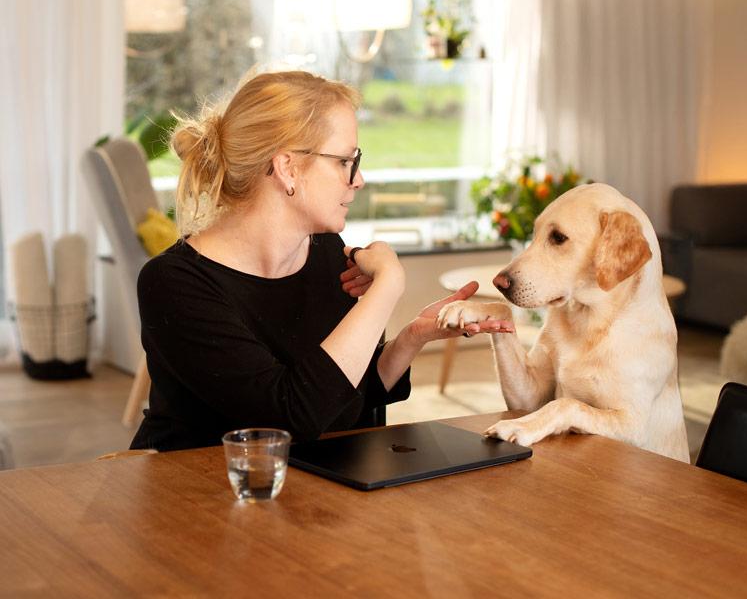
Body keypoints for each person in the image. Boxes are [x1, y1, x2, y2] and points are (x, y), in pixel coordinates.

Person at [130, 70, 512, 452]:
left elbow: (342, 400)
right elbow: (291, 420)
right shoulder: (173, 283)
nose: (359, 179)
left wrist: (411, 339)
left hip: (308, 494)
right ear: (287, 168)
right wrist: (388, 286)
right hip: (195, 496)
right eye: (346, 160)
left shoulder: (328, 252)